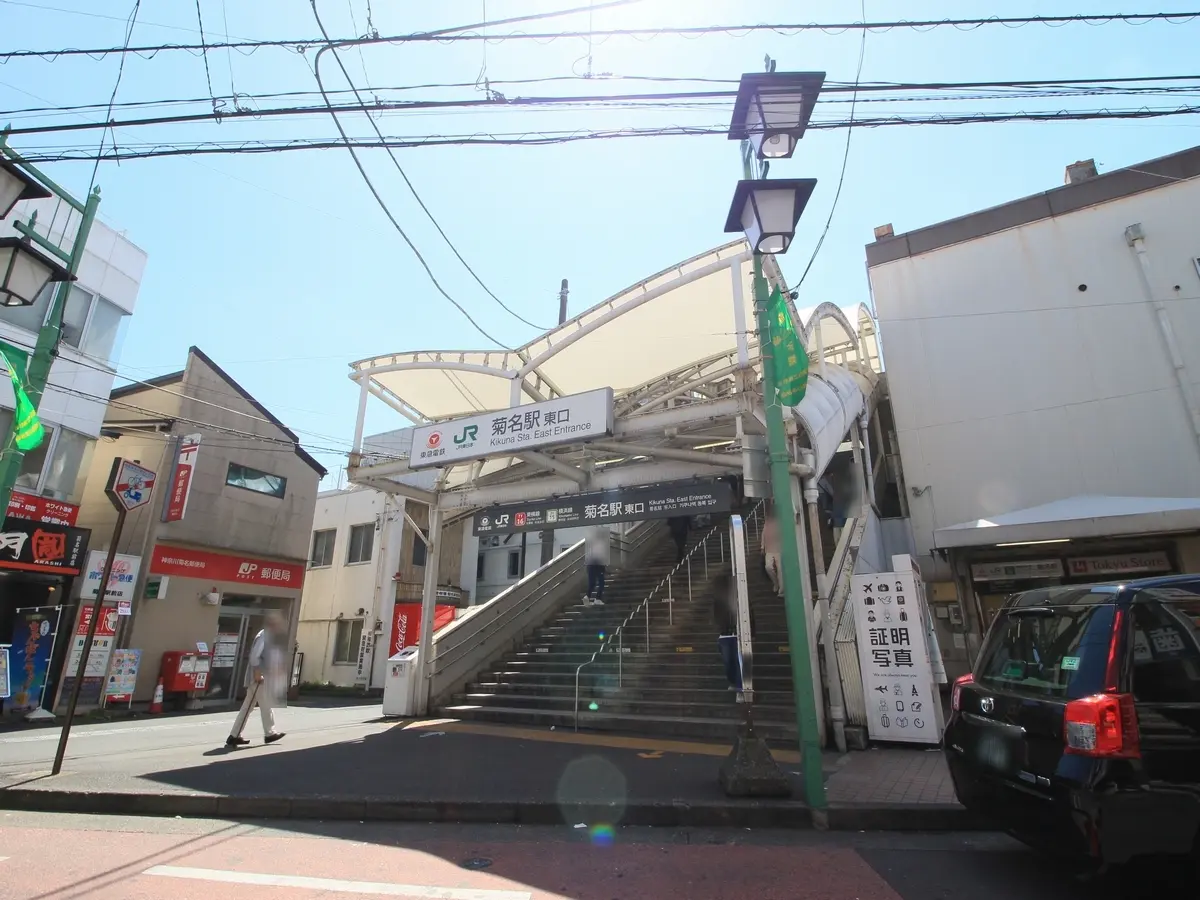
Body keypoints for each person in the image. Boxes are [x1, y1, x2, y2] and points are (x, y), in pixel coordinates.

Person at [226, 610, 287, 747]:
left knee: (247, 707)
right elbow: (254, 655)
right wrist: (258, 672)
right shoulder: (265, 635)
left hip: (258, 677)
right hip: (259, 678)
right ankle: (270, 733)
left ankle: (234, 735)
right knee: (266, 705)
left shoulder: (266, 635)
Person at [711, 572, 742, 692]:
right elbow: (716, 618)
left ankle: (740, 686)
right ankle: (734, 681)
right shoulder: (719, 602)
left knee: (740, 661)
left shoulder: (741, 599)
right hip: (725, 635)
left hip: (739, 634)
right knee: (728, 662)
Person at [583, 524, 610, 606]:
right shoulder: (600, 544)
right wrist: (604, 568)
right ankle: (598, 599)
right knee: (601, 582)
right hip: (597, 566)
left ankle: (587, 596)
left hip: (590, 565)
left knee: (592, 582)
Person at [760, 511, 783, 597]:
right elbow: (763, 535)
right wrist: (762, 547)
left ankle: (782, 590)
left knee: (780, 570)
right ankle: (776, 583)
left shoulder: (779, 522)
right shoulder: (767, 524)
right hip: (769, 550)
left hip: (778, 549)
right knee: (768, 567)